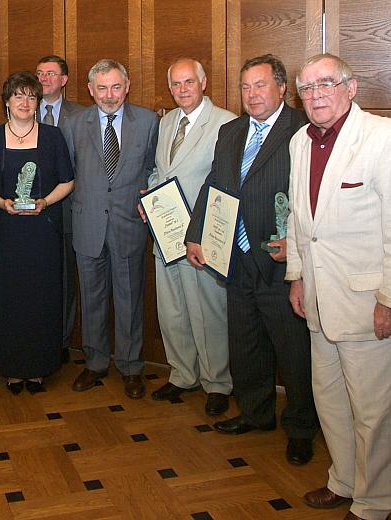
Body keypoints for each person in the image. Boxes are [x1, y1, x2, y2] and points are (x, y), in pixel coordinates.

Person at [184, 54, 318, 466]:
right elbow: (214, 185)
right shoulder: (230, 132)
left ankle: (300, 428)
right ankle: (257, 414)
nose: (252, 94)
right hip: (235, 257)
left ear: (282, 89)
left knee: (294, 353)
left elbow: (312, 195)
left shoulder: (303, 131)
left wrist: (294, 243)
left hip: (282, 264)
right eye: (246, 87)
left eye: (261, 85)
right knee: (246, 345)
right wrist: (195, 234)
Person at [287, 53, 391, 520]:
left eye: (326, 83)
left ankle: (376, 500)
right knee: (329, 399)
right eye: (306, 88)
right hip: (316, 299)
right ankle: (344, 480)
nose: (315, 95)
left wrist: (389, 299)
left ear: (351, 88)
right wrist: (296, 276)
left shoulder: (381, 139)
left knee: (373, 411)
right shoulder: (299, 143)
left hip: (365, 300)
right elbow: (296, 218)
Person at [60, 59, 158, 399]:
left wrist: (147, 190)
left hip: (129, 224)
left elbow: (153, 168)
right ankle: (96, 362)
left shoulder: (148, 121)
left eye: (116, 87)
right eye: (102, 88)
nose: (109, 95)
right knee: (92, 297)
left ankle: (131, 367)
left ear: (127, 86)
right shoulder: (73, 124)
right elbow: (68, 172)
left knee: (130, 298)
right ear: (90, 90)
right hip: (87, 224)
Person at [143, 58, 235, 415]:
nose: (182, 90)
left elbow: (226, 183)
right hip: (165, 233)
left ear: (203, 82)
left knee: (207, 309)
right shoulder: (166, 122)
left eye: (189, 82)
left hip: (201, 236)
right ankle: (182, 374)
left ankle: (217, 382)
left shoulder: (225, 123)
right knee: (173, 309)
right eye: (176, 84)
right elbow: (159, 171)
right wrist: (147, 200)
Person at [0, 71, 74, 393]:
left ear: (38, 103)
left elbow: (68, 180)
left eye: (31, 97)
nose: (24, 102)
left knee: (41, 298)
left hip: (42, 233)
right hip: (6, 232)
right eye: (18, 96)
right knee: (9, 299)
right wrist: (1, 202)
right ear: (7, 102)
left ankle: (38, 367)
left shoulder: (52, 137)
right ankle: (11, 366)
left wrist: (44, 202)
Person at [35, 55, 84, 364]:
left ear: (64, 80)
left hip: (68, 210)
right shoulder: (22, 109)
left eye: (51, 74)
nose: (44, 79)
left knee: (66, 280)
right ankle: (37, 335)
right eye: (39, 74)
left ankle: (62, 340)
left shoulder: (82, 115)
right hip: (28, 213)